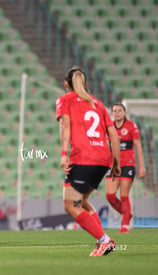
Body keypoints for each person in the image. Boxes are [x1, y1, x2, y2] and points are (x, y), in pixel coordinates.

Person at [56, 67, 121, 257]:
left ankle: (104, 240)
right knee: (82, 201)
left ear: (66, 84)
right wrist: (116, 164)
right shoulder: (98, 104)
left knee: (70, 205)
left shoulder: (65, 100)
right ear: (85, 84)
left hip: (84, 158)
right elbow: (114, 137)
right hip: (103, 159)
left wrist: (63, 154)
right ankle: (101, 241)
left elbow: (65, 127)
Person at [105, 103, 146, 233]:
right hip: (113, 165)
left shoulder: (131, 126)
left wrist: (141, 167)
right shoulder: (110, 127)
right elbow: (107, 147)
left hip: (128, 164)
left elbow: (138, 147)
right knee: (110, 196)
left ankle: (125, 225)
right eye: (114, 111)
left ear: (125, 112)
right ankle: (127, 214)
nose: (117, 113)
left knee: (124, 195)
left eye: (119, 110)